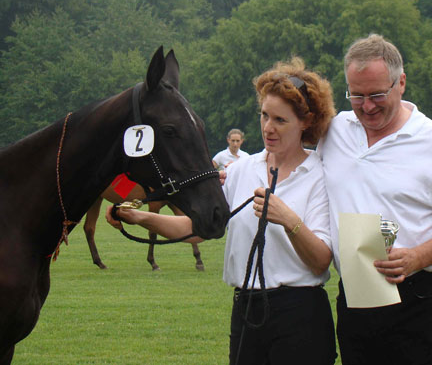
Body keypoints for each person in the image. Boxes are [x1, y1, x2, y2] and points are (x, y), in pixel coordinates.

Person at [106, 57, 337, 364]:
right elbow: (196, 230)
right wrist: (138, 217)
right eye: (265, 115)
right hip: (245, 311)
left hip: (300, 315)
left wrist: (288, 219)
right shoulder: (242, 169)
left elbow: (321, 261)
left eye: (280, 120)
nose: (268, 128)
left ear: (306, 122)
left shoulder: (320, 175)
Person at [317, 33, 432, 365]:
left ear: (401, 82)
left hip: (421, 302)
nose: (367, 106)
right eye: (356, 96)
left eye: (376, 94)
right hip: (356, 300)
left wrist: (417, 256)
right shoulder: (335, 131)